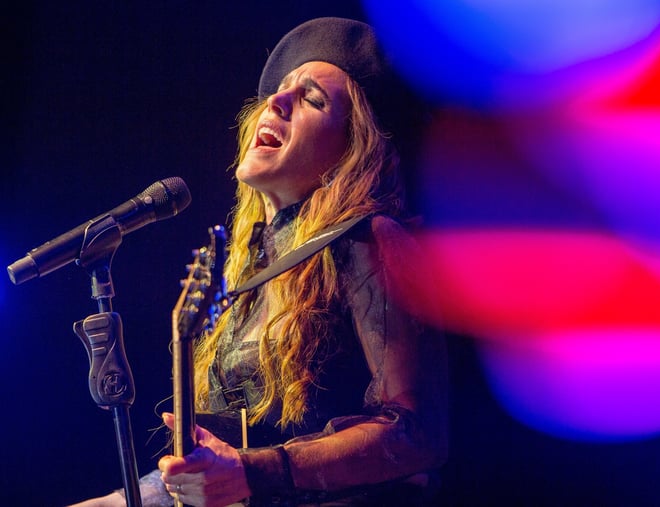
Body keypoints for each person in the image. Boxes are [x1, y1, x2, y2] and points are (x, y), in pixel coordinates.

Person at [70, 16, 449, 507]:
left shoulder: (370, 240)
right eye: (280, 89)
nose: (277, 101)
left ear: (353, 150)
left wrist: (255, 471)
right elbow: (226, 467)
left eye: (313, 99)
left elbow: (416, 432)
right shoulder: (244, 269)